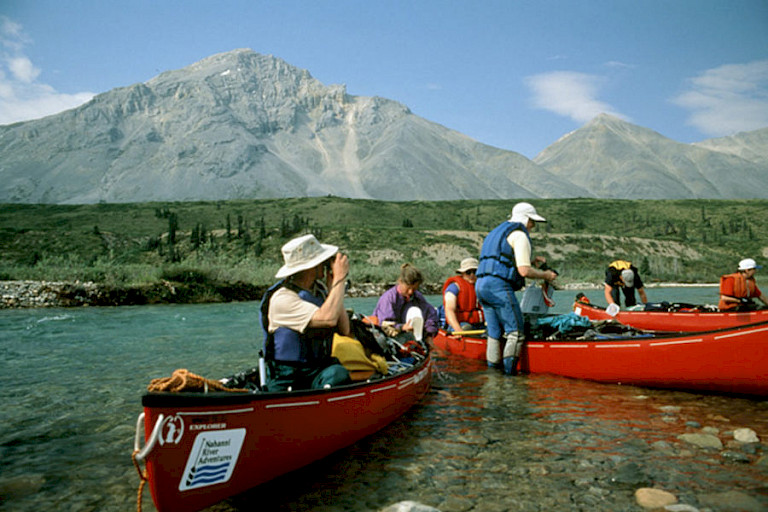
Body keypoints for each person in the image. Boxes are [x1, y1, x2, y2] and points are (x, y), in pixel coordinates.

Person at [260, 234, 351, 391]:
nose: (325, 264)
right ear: (311, 266)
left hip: (317, 368)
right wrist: (340, 279)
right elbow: (328, 319)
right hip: (288, 375)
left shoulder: (319, 292)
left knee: (339, 374)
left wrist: (332, 289)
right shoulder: (282, 298)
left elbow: (344, 330)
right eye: (322, 261)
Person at [475, 202, 557, 375]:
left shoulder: (495, 233)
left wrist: (531, 261)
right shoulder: (519, 235)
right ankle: (509, 377)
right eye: (532, 222)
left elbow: (502, 259)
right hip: (498, 287)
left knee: (494, 332)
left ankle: (493, 375)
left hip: (481, 286)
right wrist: (546, 276)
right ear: (526, 219)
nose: (533, 226)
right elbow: (524, 271)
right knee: (516, 332)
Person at [372, 263, 439, 344]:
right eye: (408, 288)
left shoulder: (417, 297)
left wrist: (429, 334)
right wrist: (402, 327)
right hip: (389, 340)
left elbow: (431, 315)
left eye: (414, 289)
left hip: (411, 339)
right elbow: (385, 325)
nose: (410, 292)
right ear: (400, 282)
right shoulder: (388, 299)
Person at [441, 257, 484, 333]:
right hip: (460, 324)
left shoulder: (482, 287)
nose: (472, 275)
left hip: (479, 324)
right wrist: (458, 330)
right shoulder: (454, 287)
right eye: (468, 272)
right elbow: (449, 310)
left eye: (475, 272)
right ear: (462, 273)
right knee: (467, 327)